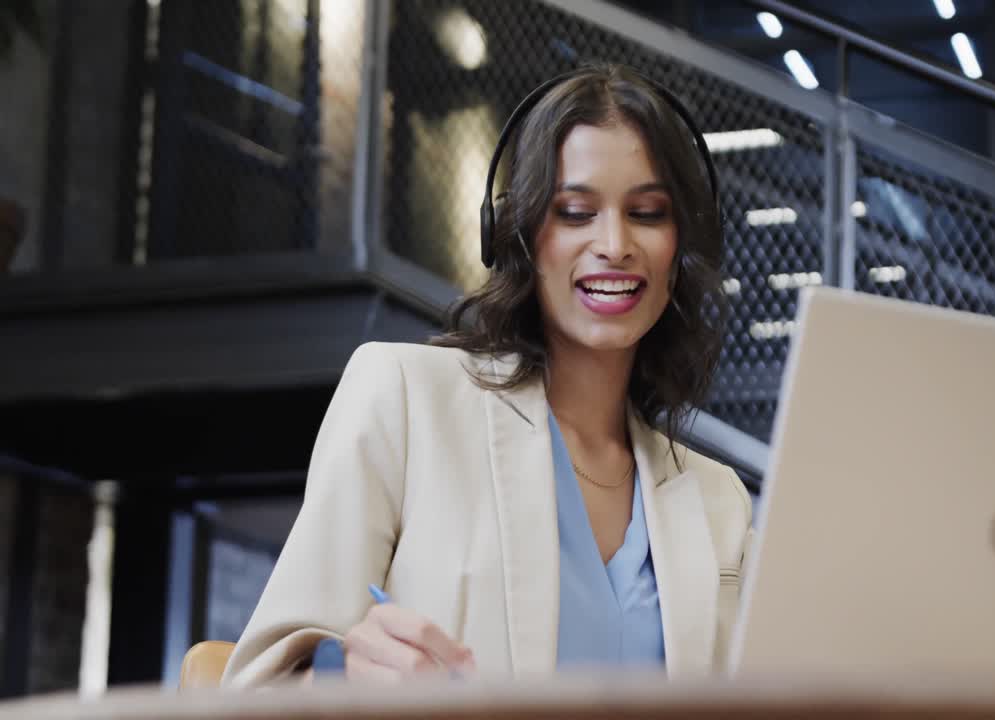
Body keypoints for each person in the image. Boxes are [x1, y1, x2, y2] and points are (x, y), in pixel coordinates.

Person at [222, 63, 752, 687]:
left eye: (648, 213)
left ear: (682, 248)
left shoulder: (718, 499)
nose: (615, 244)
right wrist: (341, 676)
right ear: (518, 236)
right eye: (576, 212)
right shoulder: (403, 398)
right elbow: (258, 688)